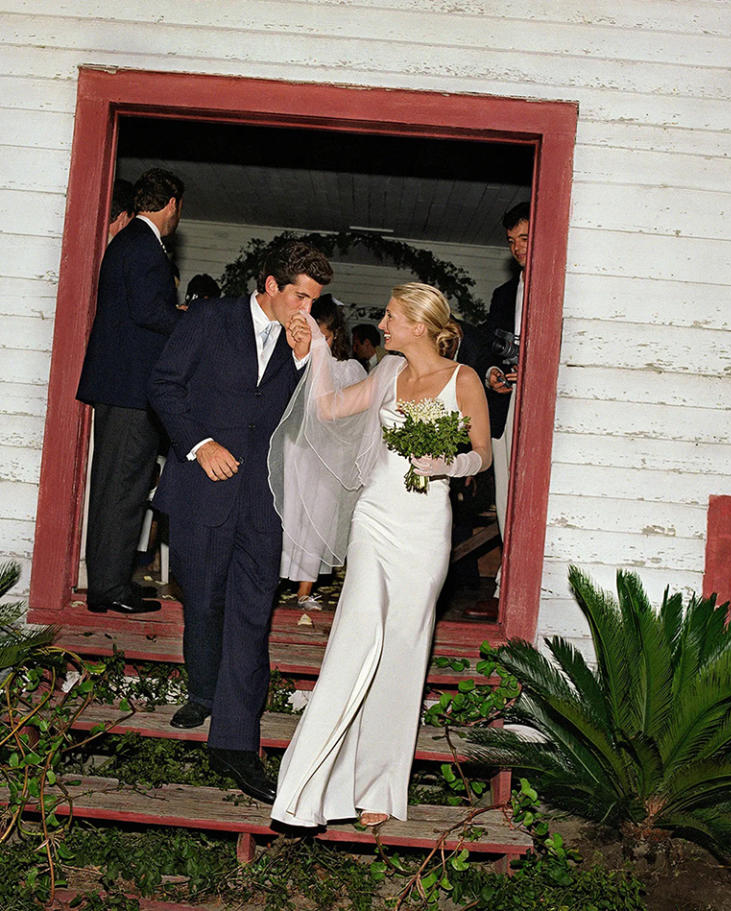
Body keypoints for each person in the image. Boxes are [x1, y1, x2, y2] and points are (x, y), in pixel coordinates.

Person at [269, 282, 491, 828]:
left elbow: (483, 454)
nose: (383, 325)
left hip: (425, 527)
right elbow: (327, 409)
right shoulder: (387, 373)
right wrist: (320, 351)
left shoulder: (463, 381)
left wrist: (450, 466)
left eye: (391, 317)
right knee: (355, 636)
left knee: (403, 650)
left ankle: (377, 790)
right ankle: (308, 788)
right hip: (375, 517)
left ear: (419, 324)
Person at [148, 240, 333, 804]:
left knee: (252, 613)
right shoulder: (209, 317)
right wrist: (198, 444)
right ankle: (204, 692)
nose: (308, 308)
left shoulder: (300, 340)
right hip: (203, 487)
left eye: (316, 300)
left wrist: (305, 361)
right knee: (204, 601)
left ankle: (235, 742)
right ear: (271, 286)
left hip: (262, 498)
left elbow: (305, 420)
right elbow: (163, 385)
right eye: (301, 295)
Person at [76, 168, 185, 615]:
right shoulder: (144, 245)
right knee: (123, 488)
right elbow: (147, 312)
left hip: (122, 386)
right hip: (129, 389)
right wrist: (188, 320)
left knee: (117, 487)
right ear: (172, 205)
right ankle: (109, 586)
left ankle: (109, 582)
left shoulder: (132, 242)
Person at [278, 294, 366, 608]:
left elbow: (355, 416)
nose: (319, 343)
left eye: (324, 337)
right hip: (296, 448)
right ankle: (275, 579)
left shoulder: (350, 369)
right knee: (289, 512)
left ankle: (304, 589)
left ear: (335, 335)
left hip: (329, 456)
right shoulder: (295, 360)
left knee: (319, 517)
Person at [466, 201, 528, 619]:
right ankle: (506, 585)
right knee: (506, 499)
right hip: (507, 410)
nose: (518, 248)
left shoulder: (563, 284)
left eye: (525, 238)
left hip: (542, 412)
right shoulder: (505, 294)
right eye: (512, 242)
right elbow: (490, 342)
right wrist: (491, 372)